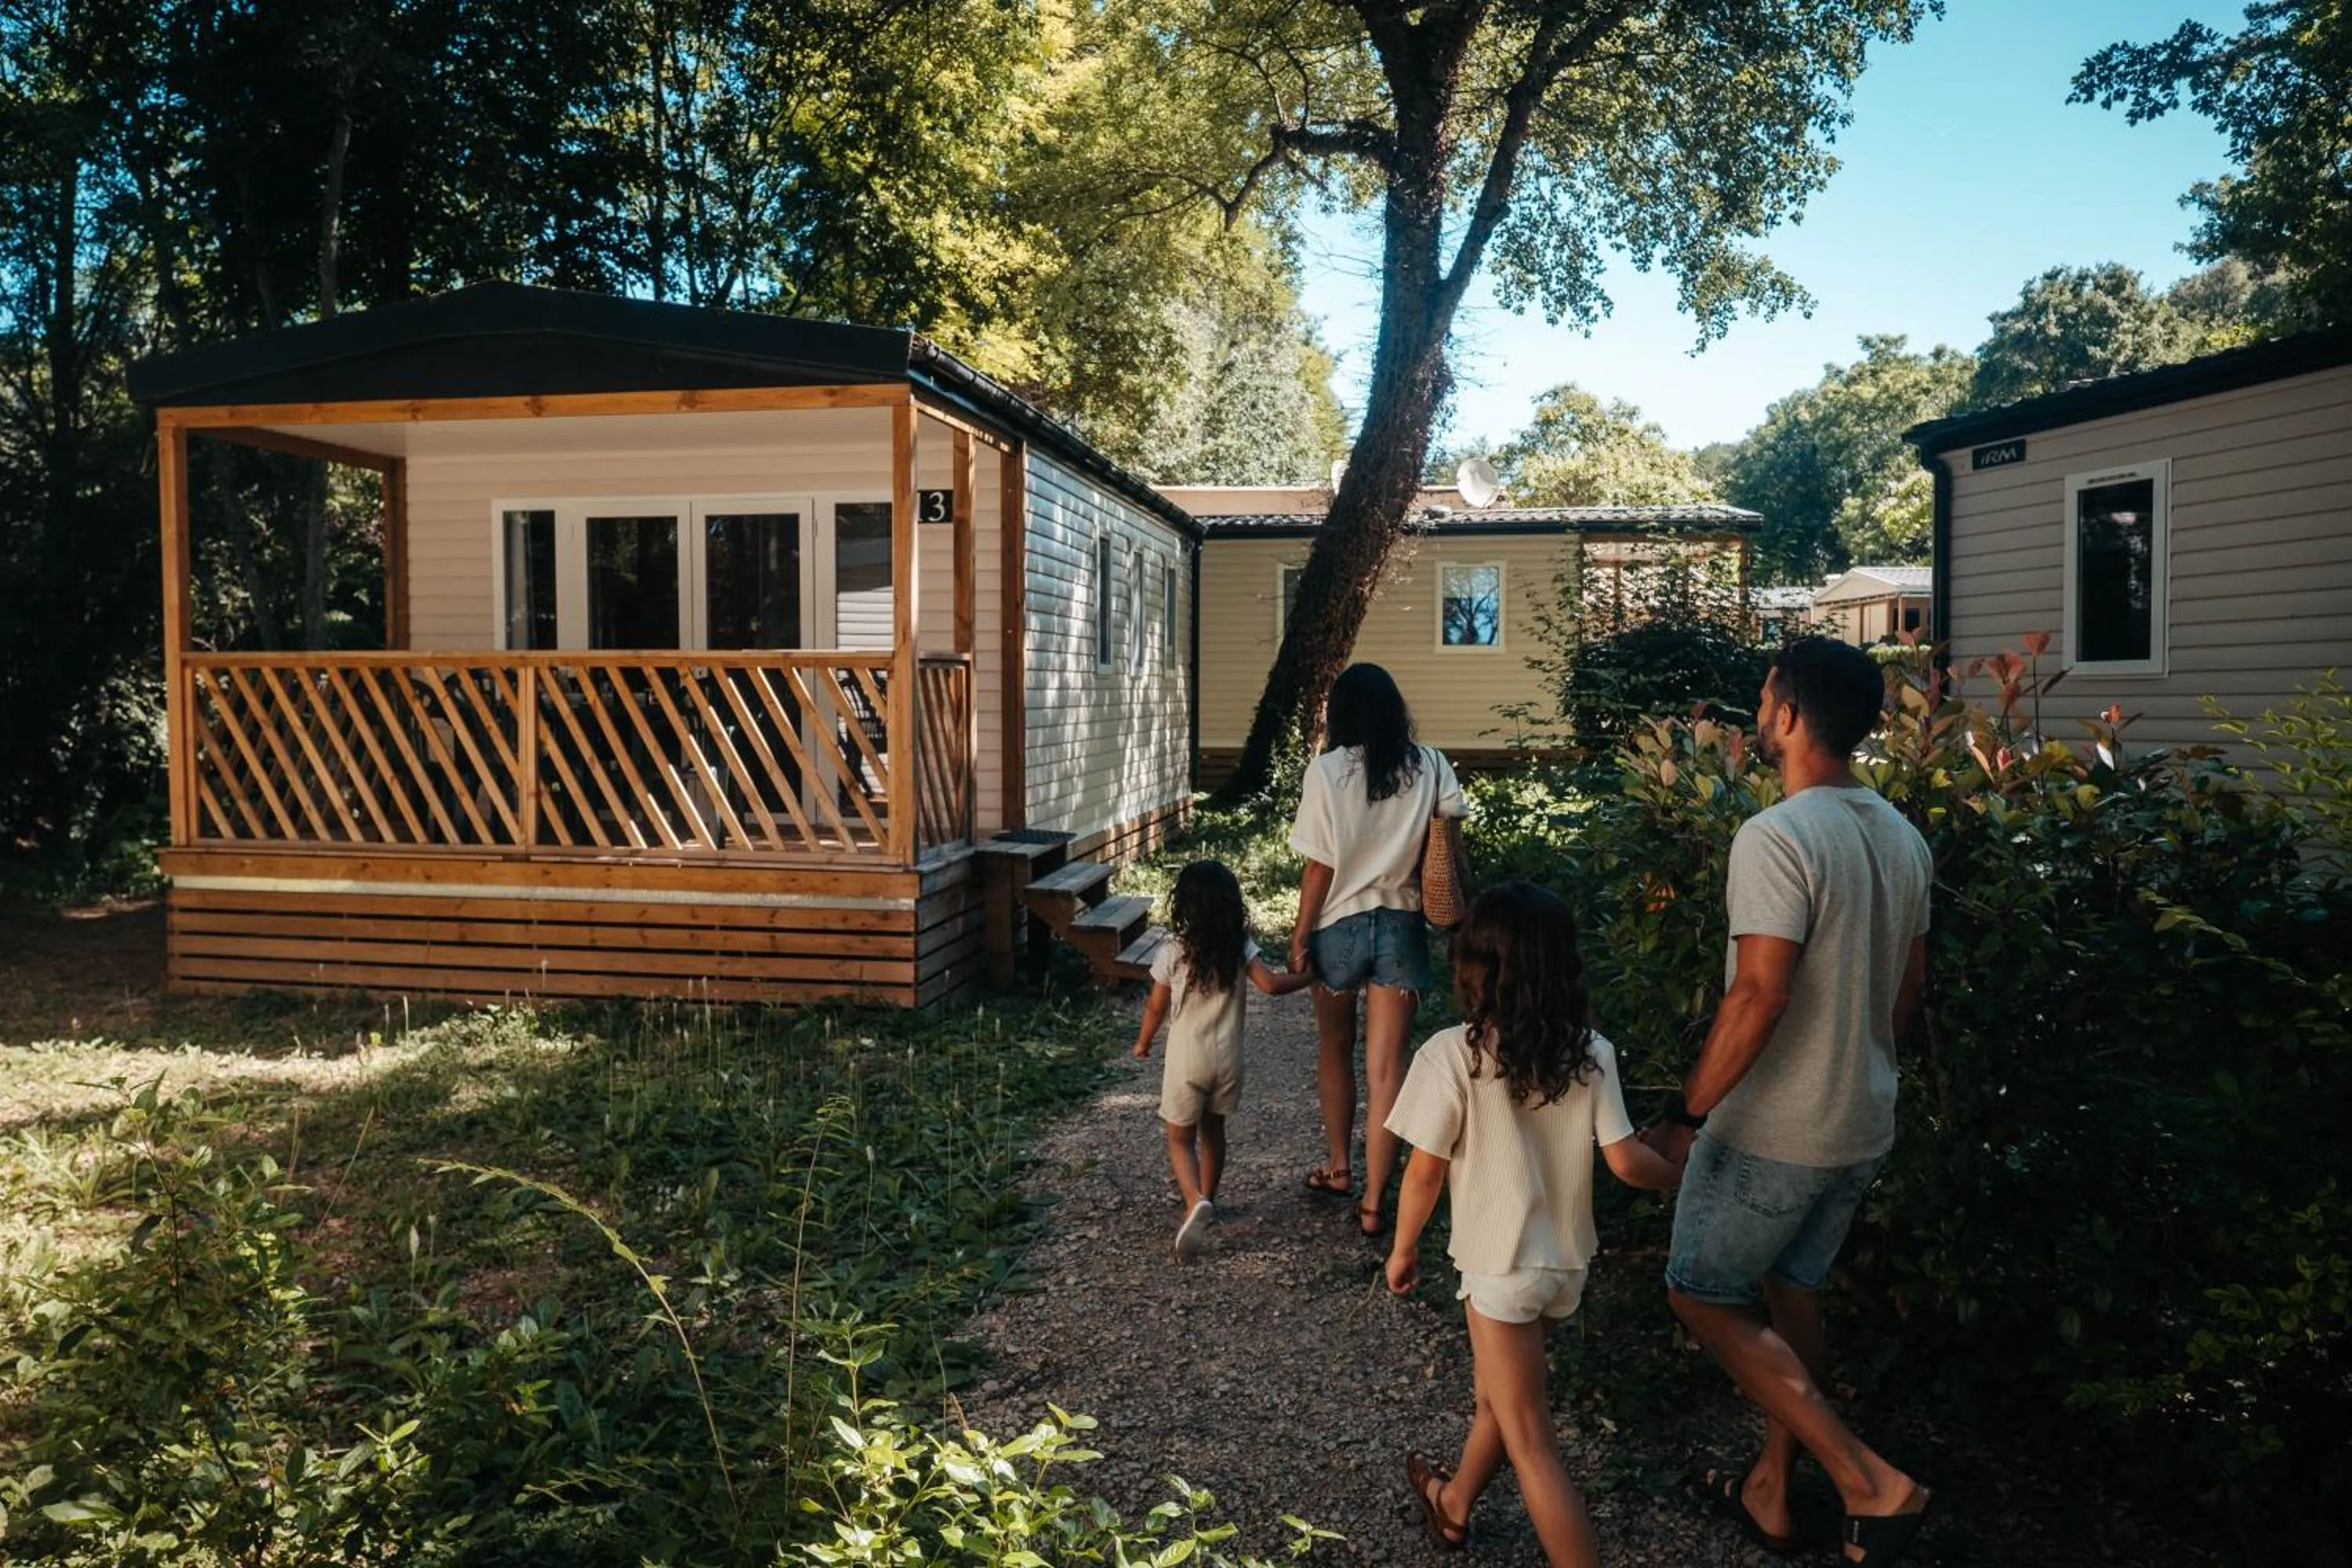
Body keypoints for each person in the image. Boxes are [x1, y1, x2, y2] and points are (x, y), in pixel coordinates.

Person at [1644, 636, 1935, 1566]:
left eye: (1766, 696)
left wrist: (1687, 1117)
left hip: (1777, 1128)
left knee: (1700, 1291)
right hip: (1861, 1120)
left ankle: (1868, 1481)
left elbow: (1758, 993)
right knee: (1789, 1288)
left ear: (1791, 714)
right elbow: (1904, 993)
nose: (1757, 711)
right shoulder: (1900, 833)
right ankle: (1771, 1489)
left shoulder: (1778, 835)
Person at [1384, 881, 1683, 1563]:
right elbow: (1630, 1163)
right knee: (1501, 1399)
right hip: (1563, 1266)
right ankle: (1452, 1505)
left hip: (1500, 1267)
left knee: (1533, 1442)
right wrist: (1687, 1178)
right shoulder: (1590, 1053)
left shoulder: (1450, 1055)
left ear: (1475, 966)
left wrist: (1402, 1250)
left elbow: (1425, 1174)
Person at [1288, 662, 1464, 1236]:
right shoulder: (1431, 765)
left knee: (1334, 1048)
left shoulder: (1327, 772)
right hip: (1402, 924)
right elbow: (1452, 842)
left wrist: (1300, 933)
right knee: (1388, 1068)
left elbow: (1320, 864)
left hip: (1337, 924)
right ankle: (1375, 1204)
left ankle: (1340, 1168)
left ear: (1340, 713)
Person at [1132, 859, 1314, 1260]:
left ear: (1182, 904)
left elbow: (1155, 1008)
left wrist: (1143, 1042)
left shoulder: (1174, 950)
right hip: (1228, 1060)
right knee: (1213, 1132)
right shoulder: (1240, 946)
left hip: (1187, 1061)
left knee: (1179, 1138)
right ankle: (1209, 1199)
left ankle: (1194, 1200)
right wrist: (1307, 977)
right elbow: (1270, 984)